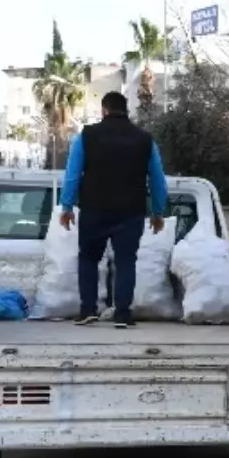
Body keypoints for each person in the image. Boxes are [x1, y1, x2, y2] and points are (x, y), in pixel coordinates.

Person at [58, 91, 168, 329]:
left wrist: (66, 206)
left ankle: (88, 310)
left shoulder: (87, 136)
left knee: (88, 258)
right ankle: (122, 314)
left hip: (94, 209)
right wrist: (158, 212)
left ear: (104, 110)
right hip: (131, 211)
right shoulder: (145, 139)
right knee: (126, 261)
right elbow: (158, 180)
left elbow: (72, 174)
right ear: (126, 110)